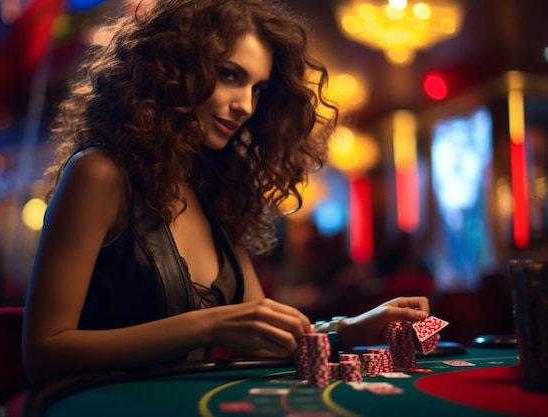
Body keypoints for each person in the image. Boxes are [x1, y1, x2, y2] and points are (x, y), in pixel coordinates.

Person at [22, 0, 430, 384]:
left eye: (258, 89)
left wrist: (348, 329)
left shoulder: (215, 188)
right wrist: (207, 324)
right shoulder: (99, 173)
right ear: (173, 68)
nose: (246, 106)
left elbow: (261, 335)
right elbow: (42, 351)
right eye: (230, 75)